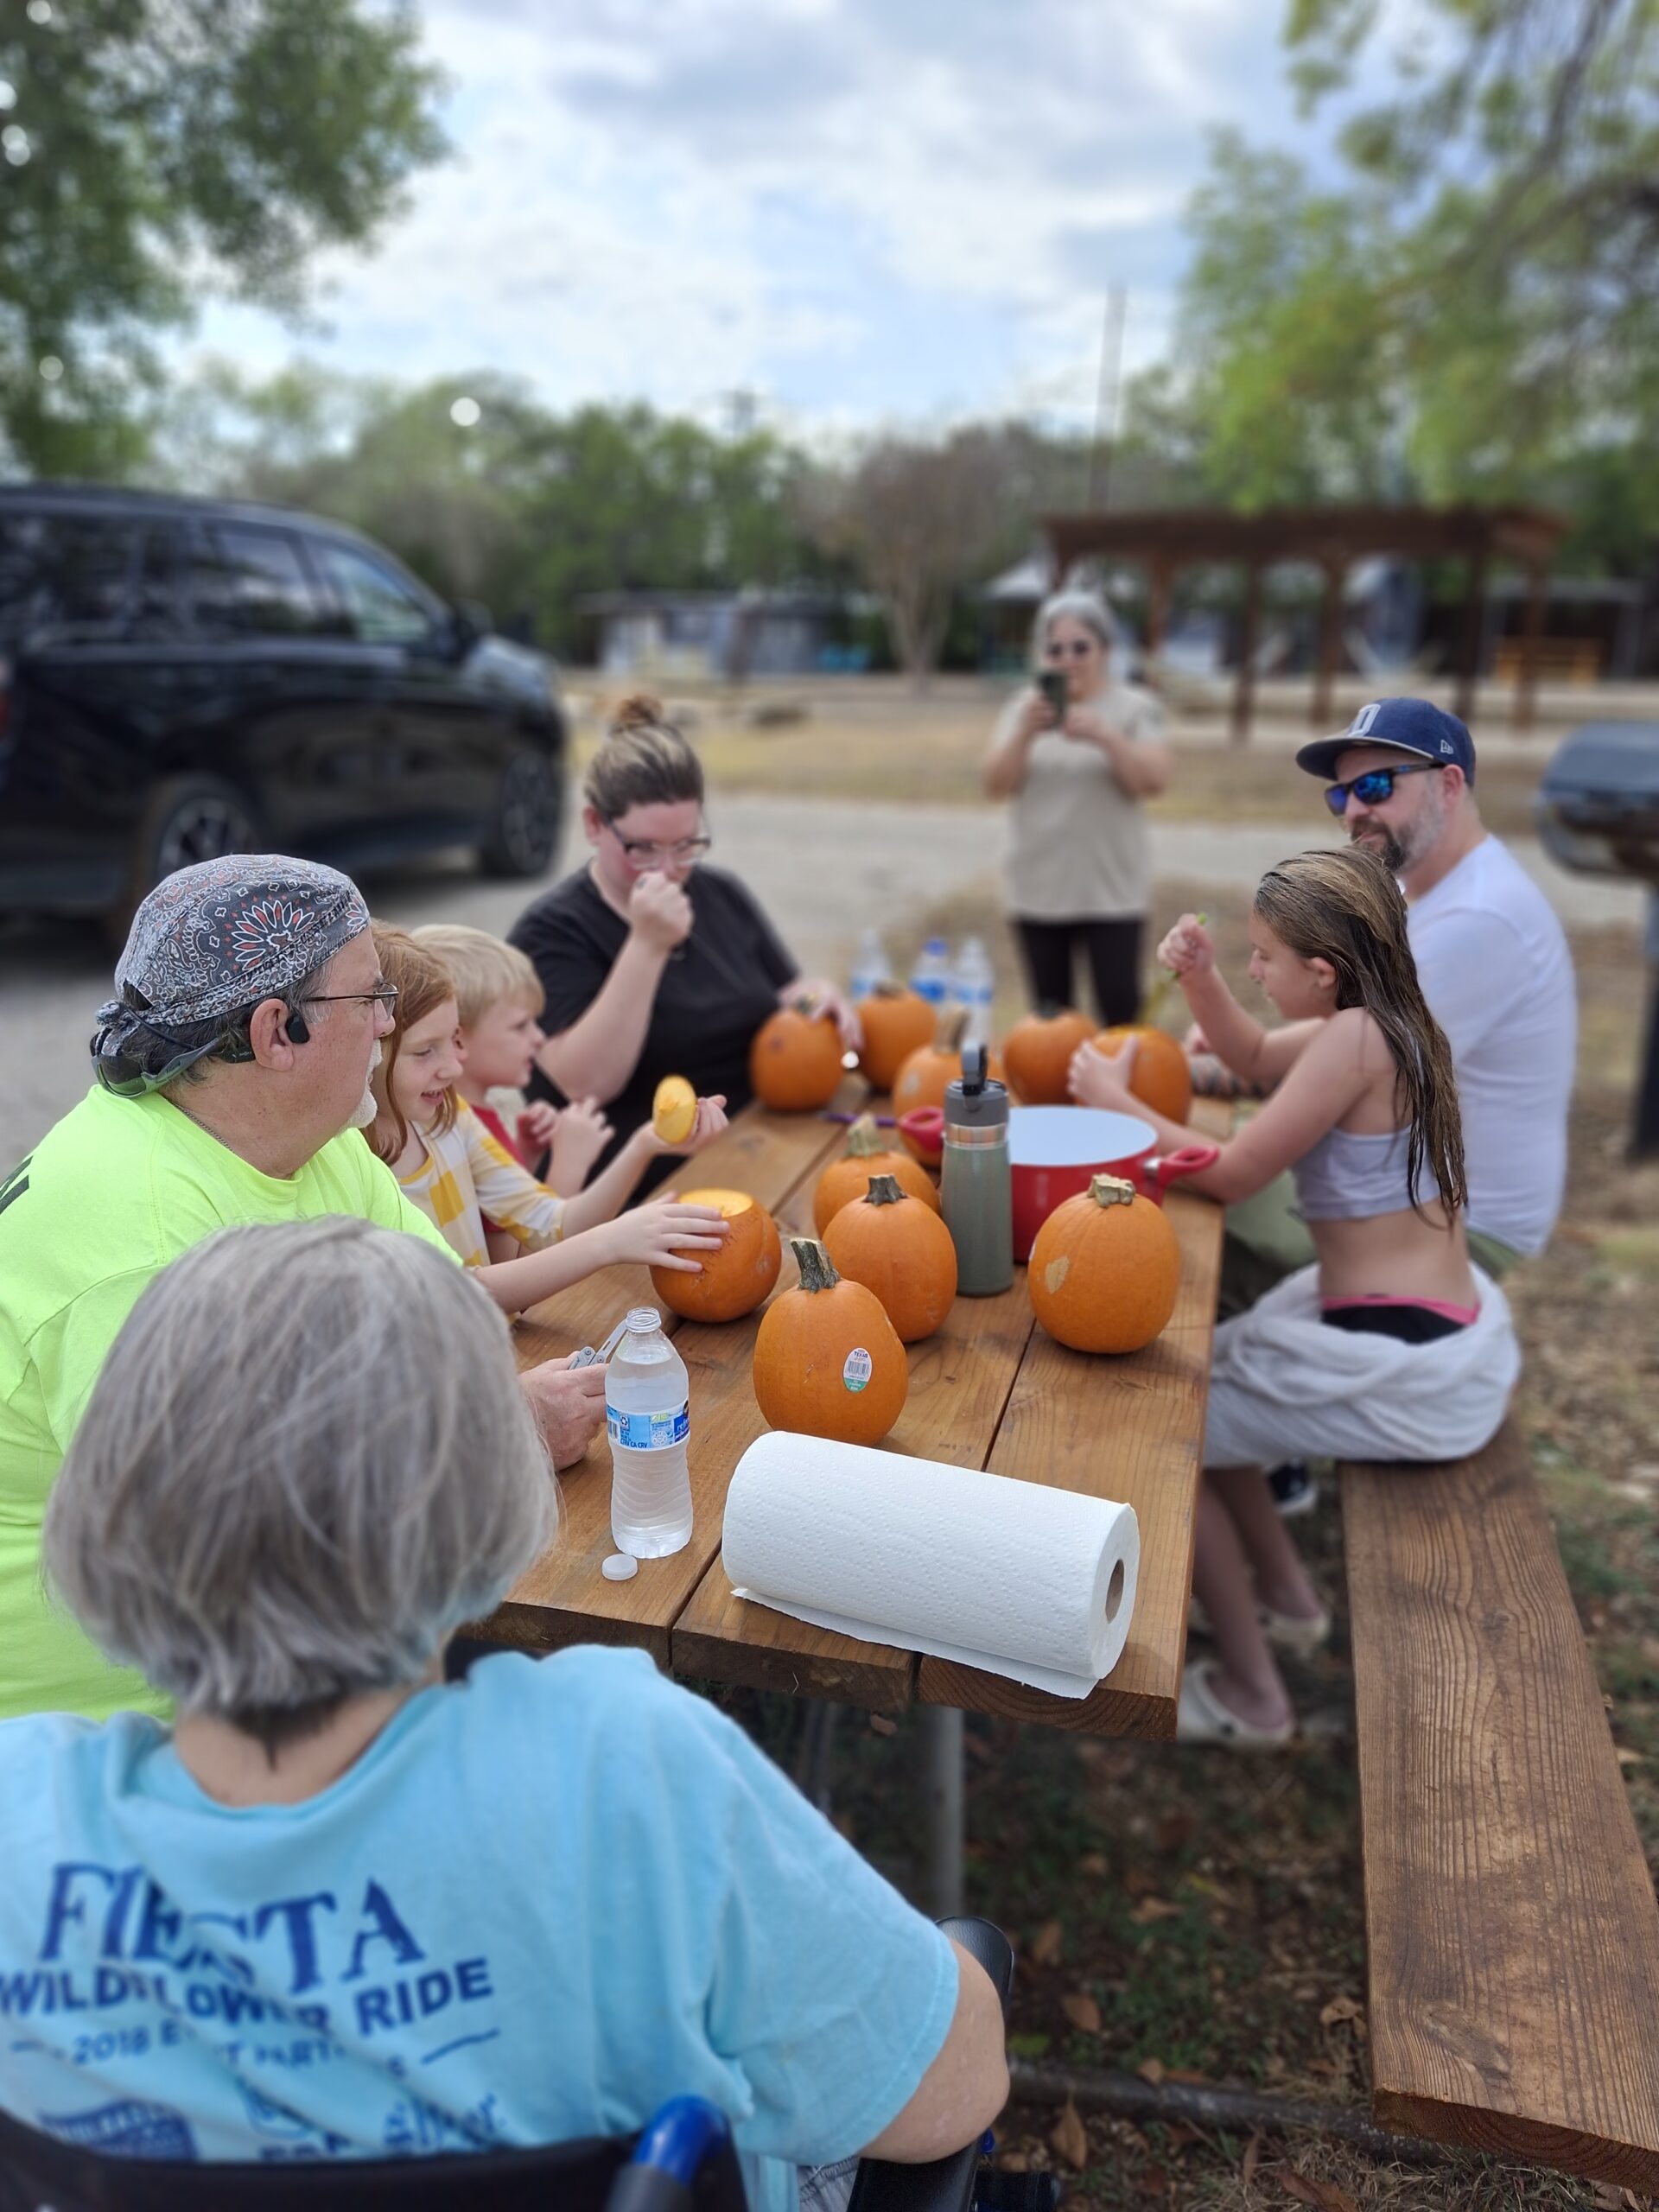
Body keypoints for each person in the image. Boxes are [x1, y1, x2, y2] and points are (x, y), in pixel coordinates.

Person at [0, 1217, 1008, 2209]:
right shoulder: (621, 1769)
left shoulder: (22, 1823)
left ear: (114, 1492)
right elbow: (951, 2090)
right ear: (478, 1487)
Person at [0, 857, 607, 1726]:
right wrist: (500, 1431)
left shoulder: (309, 1136)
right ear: (276, 1030)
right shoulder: (137, 1246)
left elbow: (455, 1325)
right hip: (123, 1746)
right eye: (371, 1000)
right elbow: (243, 1560)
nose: (390, 1022)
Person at [1070, 848, 1520, 1744]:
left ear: (1323, 972)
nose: (1254, 969)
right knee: (1210, 1375)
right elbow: (1248, 1052)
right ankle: (1283, 1597)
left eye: (1262, 957)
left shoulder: (1356, 1041)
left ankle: (1254, 1695)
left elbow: (1233, 1173)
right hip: (1409, 1321)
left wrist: (1117, 1104)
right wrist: (1199, 981)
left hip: (1402, 1363)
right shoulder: (1378, 1022)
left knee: (1171, 1433)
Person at [1213, 697, 1576, 1516]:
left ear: (1451, 784)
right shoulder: (1431, 895)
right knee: (1225, 1207)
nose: (1355, 812)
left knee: (1215, 1232)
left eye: (1376, 784)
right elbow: (1334, 1041)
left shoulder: (1479, 918)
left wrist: (1238, 1064)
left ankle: (1275, 1451)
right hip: (1406, 1183)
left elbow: (1343, 1057)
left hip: (1450, 1217)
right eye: (1339, 796)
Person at [509, 696, 858, 1198]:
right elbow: (584, 1085)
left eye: (686, 846)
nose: (669, 869)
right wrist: (646, 945)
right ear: (593, 825)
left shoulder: (719, 893)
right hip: (634, 1191)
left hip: (757, 1144)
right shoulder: (553, 931)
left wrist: (815, 998)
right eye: (644, 848)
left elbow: (785, 993)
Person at [367, 925, 732, 1294]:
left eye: (452, 1041)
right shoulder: (358, 1165)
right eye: (425, 1050)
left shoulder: (450, 1116)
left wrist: (645, 1143)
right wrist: (608, 1241)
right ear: (367, 1047)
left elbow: (549, 1223)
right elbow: (461, 1292)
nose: (454, 1067)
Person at [982, 588, 1173, 1027]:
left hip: (1111, 891)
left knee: (1121, 1011)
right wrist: (1025, 734)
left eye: (1080, 647)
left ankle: (1116, 1095)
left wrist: (1107, 739)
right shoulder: (1024, 709)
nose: (1068, 659)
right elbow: (995, 785)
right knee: (1051, 1020)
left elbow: (1154, 780)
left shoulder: (1134, 708)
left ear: (1104, 650)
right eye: (1055, 649)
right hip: (1038, 888)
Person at [412, 921, 613, 1192]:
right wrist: (570, 1163)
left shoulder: (469, 1117)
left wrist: (525, 1152)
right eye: (521, 1026)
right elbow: (540, 1232)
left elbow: (502, 1211)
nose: (539, 1037)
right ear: (457, 1037)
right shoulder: (457, 1134)